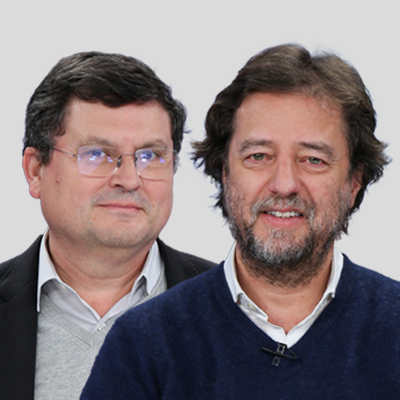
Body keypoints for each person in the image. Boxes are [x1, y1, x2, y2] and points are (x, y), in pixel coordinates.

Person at [81, 43, 399, 399]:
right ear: (224, 172)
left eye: (313, 160)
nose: (284, 184)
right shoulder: (143, 344)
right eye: (258, 156)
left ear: (354, 182)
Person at [0, 51, 216, 400]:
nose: (129, 179)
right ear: (36, 170)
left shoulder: (236, 311)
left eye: (150, 156)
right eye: (97, 154)